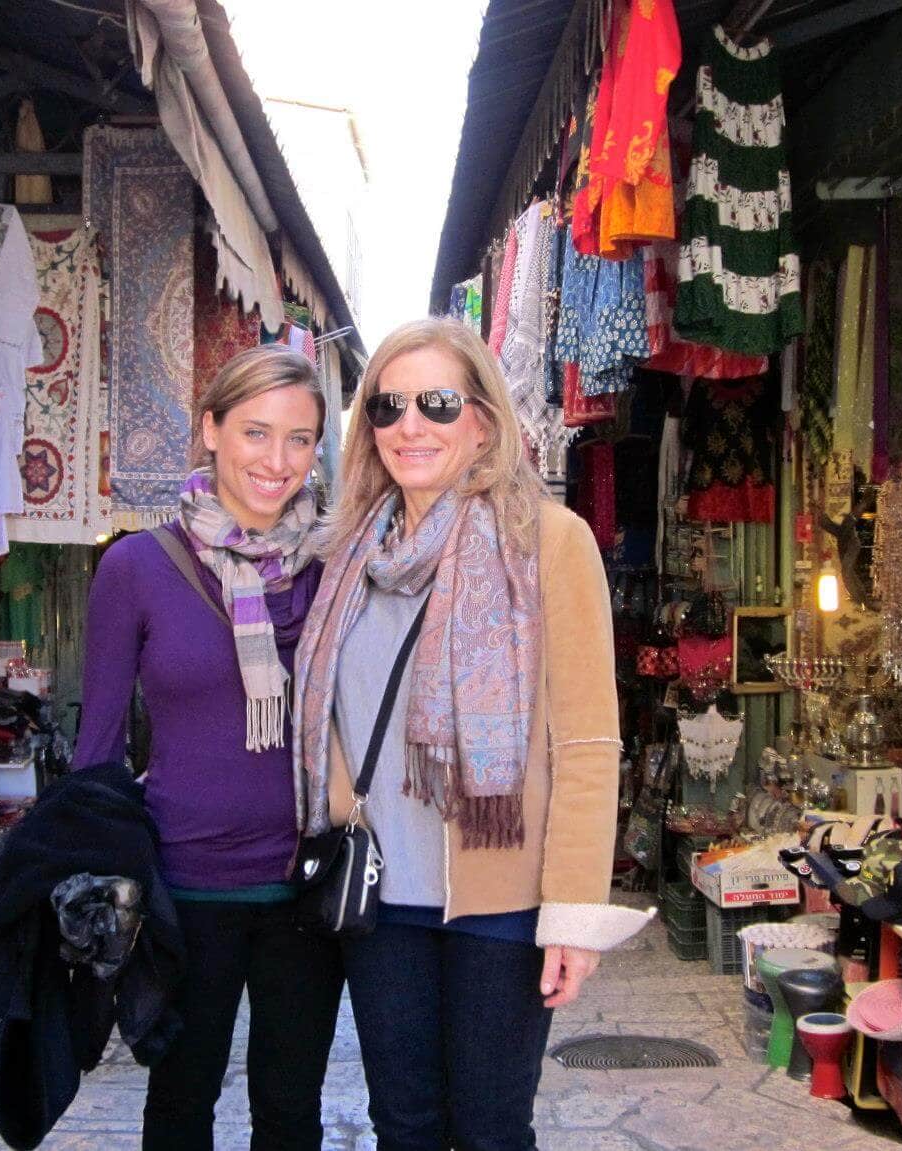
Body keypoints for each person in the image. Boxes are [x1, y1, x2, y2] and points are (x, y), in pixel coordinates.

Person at [294, 318, 654, 1151]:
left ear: (483, 419)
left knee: (492, 1127)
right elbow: (329, 719)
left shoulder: (549, 540)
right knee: (405, 1125)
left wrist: (571, 913)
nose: (409, 424)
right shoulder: (347, 552)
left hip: (504, 903)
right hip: (382, 902)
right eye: (387, 406)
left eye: (438, 402)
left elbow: (591, 743)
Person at [73, 344, 342, 1151]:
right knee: (181, 1106)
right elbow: (96, 751)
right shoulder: (136, 567)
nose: (278, 460)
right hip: (186, 892)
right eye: (256, 432)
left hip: (307, 886)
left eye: (300, 439)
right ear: (211, 429)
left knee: (292, 1114)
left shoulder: (335, 565)